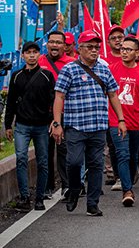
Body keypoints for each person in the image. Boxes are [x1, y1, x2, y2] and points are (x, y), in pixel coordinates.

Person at [51, 30, 127, 217]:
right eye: (90, 47)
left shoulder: (103, 68)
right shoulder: (69, 69)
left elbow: (113, 95)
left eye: (97, 47)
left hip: (98, 126)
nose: (94, 51)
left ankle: (93, 203)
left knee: (96, 165)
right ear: (80, 49)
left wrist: (121, 119)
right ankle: (74, 188)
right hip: (75, 126)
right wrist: (56, 123)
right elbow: (59, 97)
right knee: (74, 161)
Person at [5, 42, 56, 212]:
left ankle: (40, 197)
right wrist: (8, 125)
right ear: (23, 55)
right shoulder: (16, 76)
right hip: (22, 125)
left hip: (42, 126)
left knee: (43, 162)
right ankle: (24, 196)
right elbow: (11, 101)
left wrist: (54, 121)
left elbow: (53, 101)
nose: (32, 55)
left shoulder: (47, 76)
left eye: (35, 52)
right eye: (28, 53)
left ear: (38, 55)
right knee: (21, 159)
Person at [108, 37, 139, 207]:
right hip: (116, 120)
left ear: (137, 52)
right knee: (123, 154)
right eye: (123, 49)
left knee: (133, 156)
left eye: (129, 49)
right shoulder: (111, 70)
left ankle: (130, 174)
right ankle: (127, 190)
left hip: (137, 121)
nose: (125, 52)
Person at [38, 30, 75, 197]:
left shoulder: (72, 64)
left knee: (64, 150)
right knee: (45, 151)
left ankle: (67, 186)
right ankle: (47, 187)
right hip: (43, 114)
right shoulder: (39, 61)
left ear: (64, 46)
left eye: (58, 42)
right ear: (47, 44)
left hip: (66, 114)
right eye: (51, 42)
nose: (54, 45)